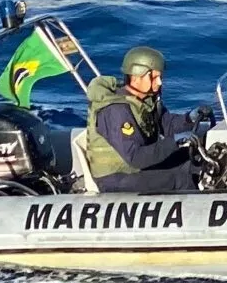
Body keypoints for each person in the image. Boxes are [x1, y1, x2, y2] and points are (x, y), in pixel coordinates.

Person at [83, 45, 209, 194]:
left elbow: (167, 124)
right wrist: (173, 142)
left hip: (136, 167)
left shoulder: (145, 101)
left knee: (192, 159)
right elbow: (136, 157)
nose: (160, 82)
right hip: (116, 176)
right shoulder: (117, 111)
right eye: (155, 77)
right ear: (137, 77)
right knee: (178, 179)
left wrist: (189, 118)